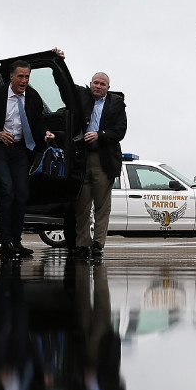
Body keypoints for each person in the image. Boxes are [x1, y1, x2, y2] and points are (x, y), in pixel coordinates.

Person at [0, 61, 55, 258]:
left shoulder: (33, 96)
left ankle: (16, 241)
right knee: (6, 191)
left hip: (22, 150)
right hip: (0, 149)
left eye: (27, 77)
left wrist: (44, 133)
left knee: (21, 194)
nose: (24, 81)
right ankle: (5, 242)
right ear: (11, 77)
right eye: (20, 77)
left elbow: (37, 122)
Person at [74, 72, 127, 260]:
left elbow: (120, 131)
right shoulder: (82, 96)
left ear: (108, 88)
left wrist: (100, 134)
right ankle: (82, 244)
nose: (98, 86)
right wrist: (58, 57)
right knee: (81, 205)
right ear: (90, 84)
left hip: (104, 159)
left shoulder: (117, 103)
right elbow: (60, 82)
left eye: (102, 84)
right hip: (82, 158)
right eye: (95, 82)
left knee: (102, 206)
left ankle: (98, 244)